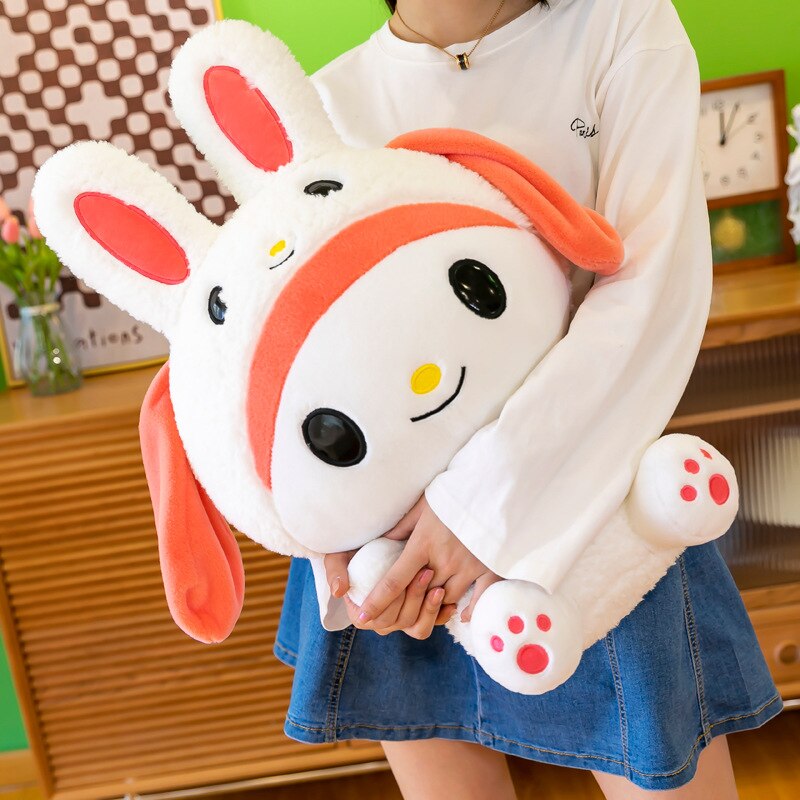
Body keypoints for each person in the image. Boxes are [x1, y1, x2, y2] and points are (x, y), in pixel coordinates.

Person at [274, 1, 782, 797]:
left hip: (593, 504)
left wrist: (476, 513)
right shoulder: (323, 104)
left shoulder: (622, 27)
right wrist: (323, 528)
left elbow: (649, 293)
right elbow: (288, 354)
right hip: (401, 549)